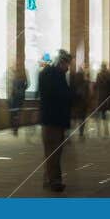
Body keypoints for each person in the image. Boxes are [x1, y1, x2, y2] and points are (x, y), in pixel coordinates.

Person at [37, 50, 72, 192]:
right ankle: (55, 181)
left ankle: (48, 179)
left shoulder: (46, 74)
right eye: (67, 64)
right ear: (61, 62)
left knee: (50, 151)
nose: (68, 67)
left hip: (48, 118)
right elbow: (61, 96)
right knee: (55, 152)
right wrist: (73, 94)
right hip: (55, 120)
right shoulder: (56, 76)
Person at [7, 60, 28, 135]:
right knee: (17, 113)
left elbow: (12, 87)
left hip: (15, 96)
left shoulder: (14, 75)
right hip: (21, 96)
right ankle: (16, 128)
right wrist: (22, 90)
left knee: (14, 113)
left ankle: (14, 127)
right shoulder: (23, 74)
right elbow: (27, 85)